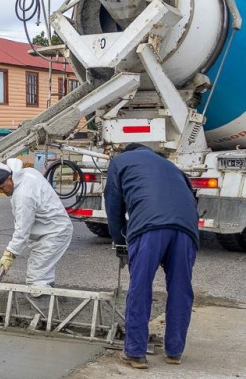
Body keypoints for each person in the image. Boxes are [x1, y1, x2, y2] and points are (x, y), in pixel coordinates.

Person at [105, 143, 199, 369]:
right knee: (181, 289)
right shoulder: (171, 166)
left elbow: (113, 205)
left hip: (149, 227)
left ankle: (135, 353)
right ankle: (174, 352)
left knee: (140, 287)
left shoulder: (120, 162)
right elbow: (191, 198)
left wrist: (119, 239)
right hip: (187, 229)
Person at [0, 158, 73, 287]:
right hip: (50, 228)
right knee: (42, 273)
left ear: (10, 178)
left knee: (36, 278)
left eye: (1, 187)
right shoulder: (27, 172)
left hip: (54, 232)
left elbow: (22, 230)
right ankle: (48, 294)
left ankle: (42, 298)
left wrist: (10, 253)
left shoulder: (23, 195)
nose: (1, 191)